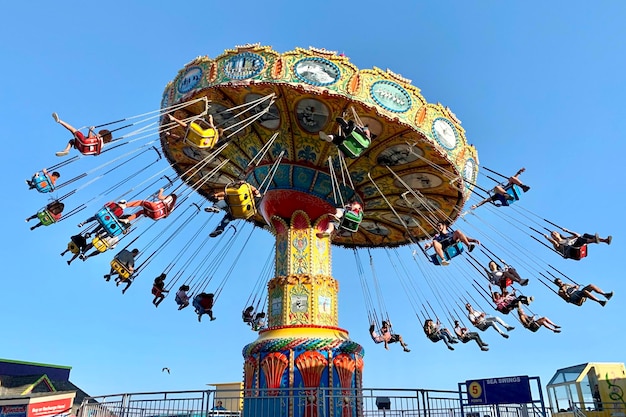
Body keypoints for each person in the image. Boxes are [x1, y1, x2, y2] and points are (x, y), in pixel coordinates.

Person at [545, 229, 612, 258]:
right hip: (572, 251)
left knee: (584, 235)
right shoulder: (557, 244)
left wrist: (568, 231)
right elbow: (554, 242)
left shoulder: (567, 238)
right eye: (552, 235)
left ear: (559, 234)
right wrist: (547, 238)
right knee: (580, 239)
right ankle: (594, 240)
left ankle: (605, 240)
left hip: (577, 247)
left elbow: (577, 235)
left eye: (555, 233)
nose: (553, 234)